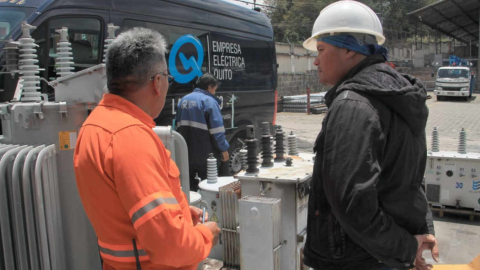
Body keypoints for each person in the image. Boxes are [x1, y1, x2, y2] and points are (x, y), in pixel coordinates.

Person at [301, 1, 439, 270]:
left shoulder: (354, 104)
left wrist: (408, 247)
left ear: (348, 49)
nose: (315, 61)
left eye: (320, 50)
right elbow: (409, 181)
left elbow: (353, 205)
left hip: (356, 259)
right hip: (385, 253)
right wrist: (419, 237)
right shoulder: (397, 94)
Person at [73, 28, 220, 270]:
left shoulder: (95, 125)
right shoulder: (130, 138)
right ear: (157, 82)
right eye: (167, 78)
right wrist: (206, 234)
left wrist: (179, 212)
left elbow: (131, 208)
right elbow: (171, 246)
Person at [175, 73, 229, 191]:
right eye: (215, 89)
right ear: (209, 87)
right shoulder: (209, 102)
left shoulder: (183, 100)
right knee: (208, 187)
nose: (215, 92)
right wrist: (224, 149)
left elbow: (177, 127)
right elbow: (217, 132)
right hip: (206, 156)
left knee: (189, 188)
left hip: (186, 154)